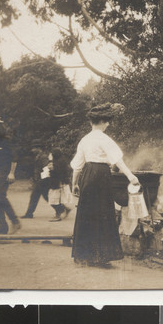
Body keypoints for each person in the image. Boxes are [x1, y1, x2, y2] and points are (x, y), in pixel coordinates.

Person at [70, 103, 139, 268]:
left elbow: (77, 166)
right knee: (102, 214)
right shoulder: (104, 139)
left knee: (86, 214)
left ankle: (82, 255)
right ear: (101, 121)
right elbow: (117, 160)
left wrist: (75, 185)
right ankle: (100, 256)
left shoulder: (85, 140)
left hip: (87, 175)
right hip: (101, 175)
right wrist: (131, 176)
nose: (108, 124)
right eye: (107, 121)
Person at [21, 140, 51, 218]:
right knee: (46, 197)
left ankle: (29, 214)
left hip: (42, 181)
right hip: (40, 180)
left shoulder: (43, 157)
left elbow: (46, 168)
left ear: (38, 148)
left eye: (33, 148)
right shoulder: (39, 156)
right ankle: (62, 208)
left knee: (35, 196)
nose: (32, 150)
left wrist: (42, 180)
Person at [48, 148, 72, 222]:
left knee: (54, 201)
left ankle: (58, 215)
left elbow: (58, 173)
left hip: (58, 184)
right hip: (58, 183)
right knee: (58, 200)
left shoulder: (58, 162)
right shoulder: (61, 161)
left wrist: (51, 167)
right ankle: (66, 209)